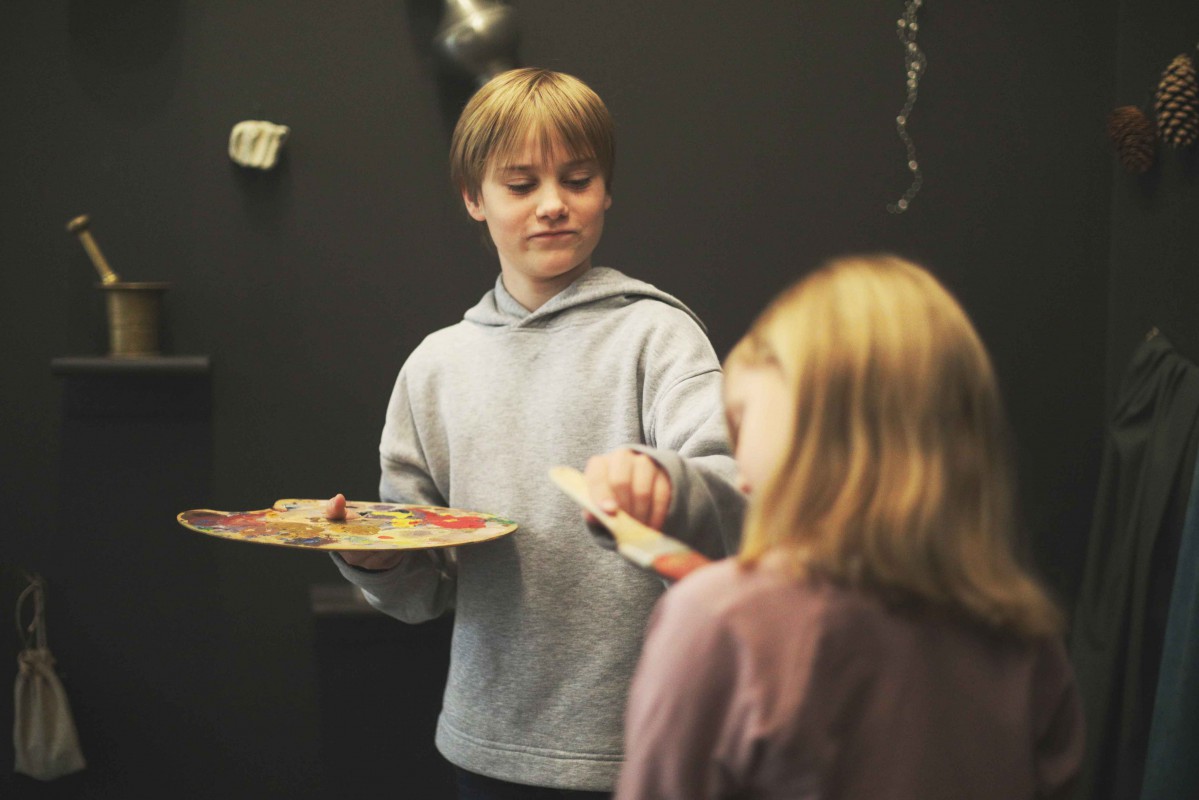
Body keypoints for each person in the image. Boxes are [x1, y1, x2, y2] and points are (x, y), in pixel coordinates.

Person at [326, 67, 744, 798]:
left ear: (606, 189)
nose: (553, 204)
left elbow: (737, 499)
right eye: (520, 185)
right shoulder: (435, 368)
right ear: (473, 198)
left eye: (577, 179)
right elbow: (424, 590)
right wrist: (376, 561)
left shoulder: (660, 336)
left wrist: (668, 481)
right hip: (486, 746)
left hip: (648, 747)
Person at [617, 255, 1085, 799]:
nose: (739, 469)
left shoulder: (721, 626)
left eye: (742, 422)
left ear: (814, 428)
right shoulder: (1028, 644)